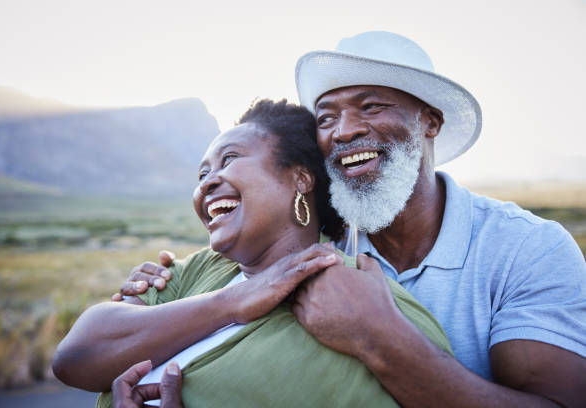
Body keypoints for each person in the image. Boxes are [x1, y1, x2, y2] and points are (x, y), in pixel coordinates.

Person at [121, 32, 586, 407]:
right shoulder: (300, 243)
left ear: (430, 122)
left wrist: (380, 338)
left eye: (371, 106)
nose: (344, 131)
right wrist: (165, 288)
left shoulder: (527, 249)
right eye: (326, 117)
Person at [52, 99, 453, 407]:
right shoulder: (196, 273)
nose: (208, 183)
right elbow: (76, 357)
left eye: (229, 160)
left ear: (300, 177)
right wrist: (233, 302)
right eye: (202, 174)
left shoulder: (361, 297)